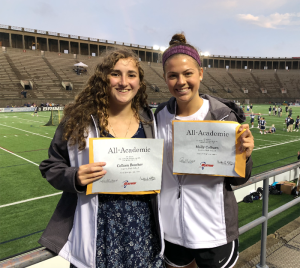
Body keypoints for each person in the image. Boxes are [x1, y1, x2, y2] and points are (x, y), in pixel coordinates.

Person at [39, 49, 164, 268]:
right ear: (104, 78)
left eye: (131, 75)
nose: (124, 82)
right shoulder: (77, 119)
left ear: (140, 82)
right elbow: (50, 166)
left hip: (143, 230)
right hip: (96, 232)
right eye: (116, 74)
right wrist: (75, 177)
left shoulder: (150, 122)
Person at [154, 33, 254, 268]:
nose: (181, 82)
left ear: (200, 73)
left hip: (213, 229)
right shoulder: (157, 118)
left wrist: (245, 157)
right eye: (173, 75)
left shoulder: (223, 117)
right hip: (171, 229)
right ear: (165, 78)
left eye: (188, 73)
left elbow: (239, 179)